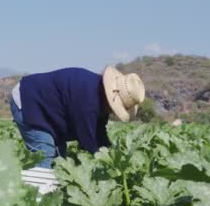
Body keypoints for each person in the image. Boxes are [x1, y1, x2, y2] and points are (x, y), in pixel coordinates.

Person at [10, 66, 145, 168]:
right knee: (45, 156)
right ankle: (36, 201)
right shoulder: (88, 103)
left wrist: (109, 151)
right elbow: (87, 140)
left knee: (59, 161)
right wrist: (108, 162)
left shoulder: (99, 95)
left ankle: (51, 197)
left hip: (48, 111)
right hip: (28, 100)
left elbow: (99, 131)